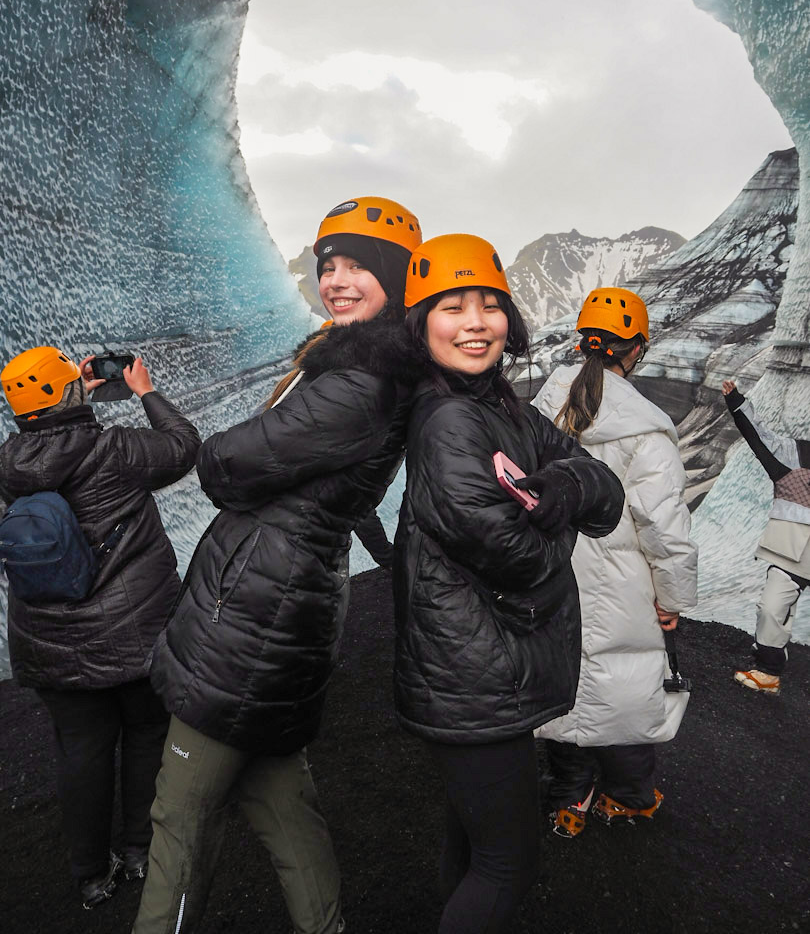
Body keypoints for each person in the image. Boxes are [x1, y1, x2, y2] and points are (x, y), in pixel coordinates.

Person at [133, 197, 424, 934]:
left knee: (179, 816)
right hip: (281, 602)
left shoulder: (358, 384)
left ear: (394, 276)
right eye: (329, 266)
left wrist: (241, 443)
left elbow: (224, 465)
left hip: (256, 613)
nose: (338, 280)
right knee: (280, 801)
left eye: (359, 266)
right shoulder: (353, 365)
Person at [393, 235, 624, 934]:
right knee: (509, 862)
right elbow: (520, 557)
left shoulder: (503, 407)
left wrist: (555, 486)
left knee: (473, 842)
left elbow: (605, 491)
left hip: (486, 666)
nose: (476, 322)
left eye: (490, 304)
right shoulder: (450, 420)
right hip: (472, 673)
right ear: (421, 323)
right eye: (452, 306)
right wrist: (560, 512)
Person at [0, 347, 200, 908]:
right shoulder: (115, 450)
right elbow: (185, 445)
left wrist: (68, 401)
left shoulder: (5, 464)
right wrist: (144, 391)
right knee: (144, 735)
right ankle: (140, 849)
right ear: (68, 390)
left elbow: (50, 449)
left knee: (81, 752)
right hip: (132, 633)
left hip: (48, 641)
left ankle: (90, 874)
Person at [534, 287, 698, 835]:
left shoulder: (542, 411)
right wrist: (672, 599)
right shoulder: (646, 429)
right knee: (625, 685)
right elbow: (663, 525)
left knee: (564, 682)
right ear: (636, 350)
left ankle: (569, 797)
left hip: (551, 573)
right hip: (623, 583)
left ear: (585, 343)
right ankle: (628, 795)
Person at [722, 379, 810, 694]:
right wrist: (737, 403)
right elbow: (760, 436)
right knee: (771, 609)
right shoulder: (794, 455)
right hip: (792, 552)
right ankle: (769, 671)